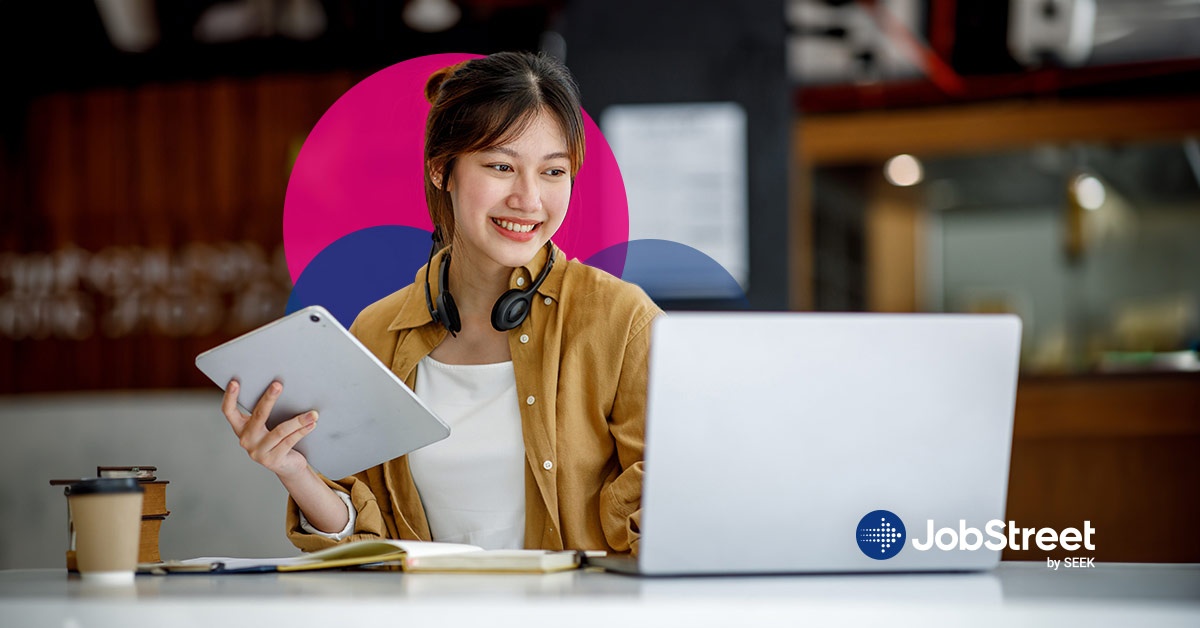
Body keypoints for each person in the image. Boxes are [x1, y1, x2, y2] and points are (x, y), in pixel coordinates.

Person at [220, 51, 661, 556]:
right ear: (441, 170)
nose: (529, 198)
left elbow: (670, 507)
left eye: (553, 172)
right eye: (501, 166)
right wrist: (296, 473)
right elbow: (369, 539)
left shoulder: (621, 320)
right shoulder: (379, 330)